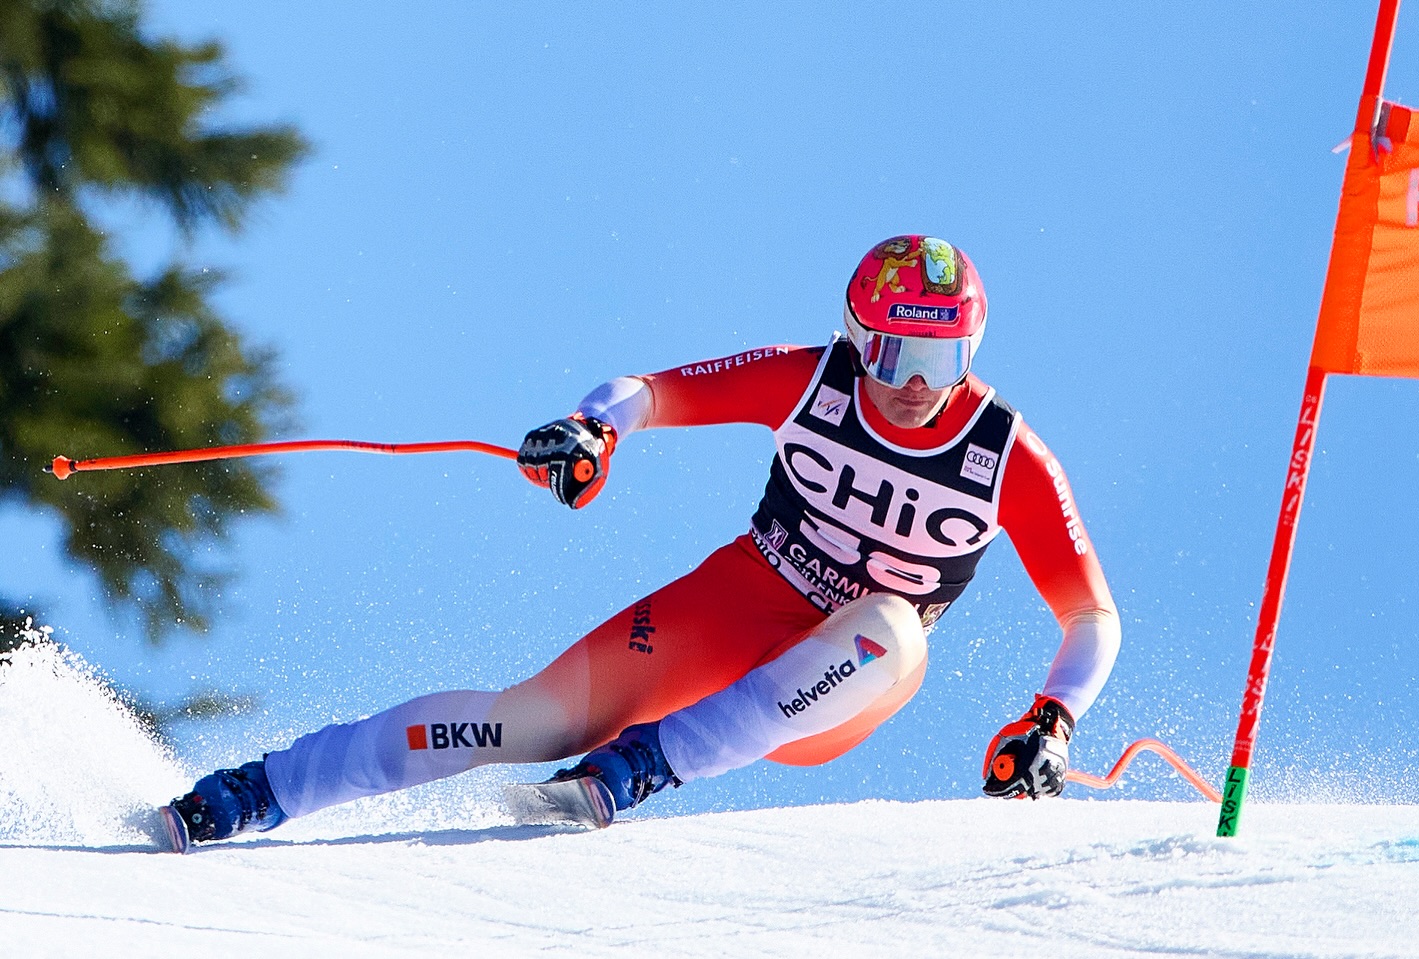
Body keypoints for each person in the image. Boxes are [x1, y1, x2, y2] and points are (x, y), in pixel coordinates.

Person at [162, 234, 1121, 849]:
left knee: (892, 628)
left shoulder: (1006, 454)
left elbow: (1091, 616)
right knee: (525, 721)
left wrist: (1053, 720)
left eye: (941, 357)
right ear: (855, 337)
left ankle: (646, 764)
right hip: (734, 604)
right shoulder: (810, 379)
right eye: (892, 351)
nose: (913, 382)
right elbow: (651, 391)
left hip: (835, 686)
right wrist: (591, 428)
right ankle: (255, 791)